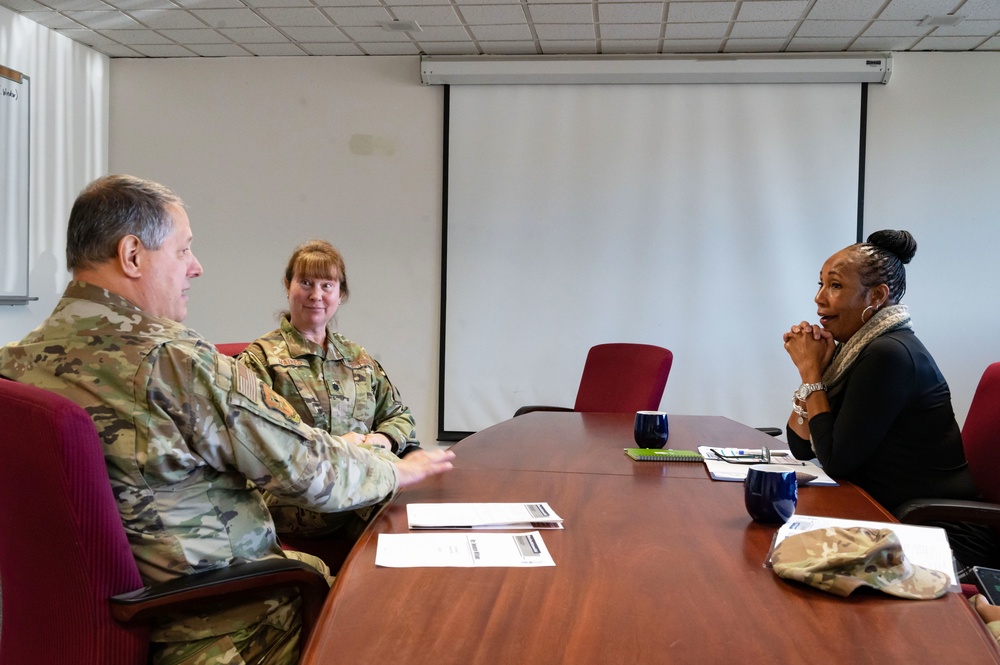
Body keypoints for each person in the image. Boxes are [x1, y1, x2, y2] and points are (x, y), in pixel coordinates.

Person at [0, 175, 455, 665]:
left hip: (108, 619)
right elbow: (312, 473)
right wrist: (398, 469)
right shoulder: (173, 361)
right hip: (232, 628)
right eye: (183, 250)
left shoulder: (15, 363)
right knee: (426, 629)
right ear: (132, 255)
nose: (196, 267)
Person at [782, 229, 996, 572]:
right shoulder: (857, 351)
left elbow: (835, 459)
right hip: (885, 517)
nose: (819, 298)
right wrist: (815, 376)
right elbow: (802, 445)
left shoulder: (889, 354)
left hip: (938, 535)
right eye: (820, 284)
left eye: (835, 286)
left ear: (878, 295)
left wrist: (811, 374)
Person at [239, 240, 420, 540]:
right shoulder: (260, 360)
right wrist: (339, 448)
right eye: (306, 282)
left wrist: (382, 439)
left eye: (327, 285)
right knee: (395, 494)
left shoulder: (357, 358)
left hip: (361, 485)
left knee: (408, 494)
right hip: (295, 495)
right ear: (288, 285)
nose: (316, 295)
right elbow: (258, 442)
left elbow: (400, 417)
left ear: (341, 294)